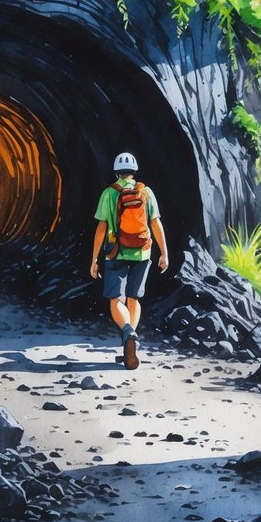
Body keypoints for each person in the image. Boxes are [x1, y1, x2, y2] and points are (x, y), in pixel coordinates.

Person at [90, 152, 168, 369]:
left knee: (116, 299)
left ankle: (128, 332)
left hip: (116, 252)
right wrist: (164, 253)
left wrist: (94, 259)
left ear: (116, 171)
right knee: (134, 298)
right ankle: (129, 344)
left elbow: (101, 228)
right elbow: (155, 224)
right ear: (135, 171)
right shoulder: (147, 192)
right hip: (143, 252)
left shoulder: (109, 193)